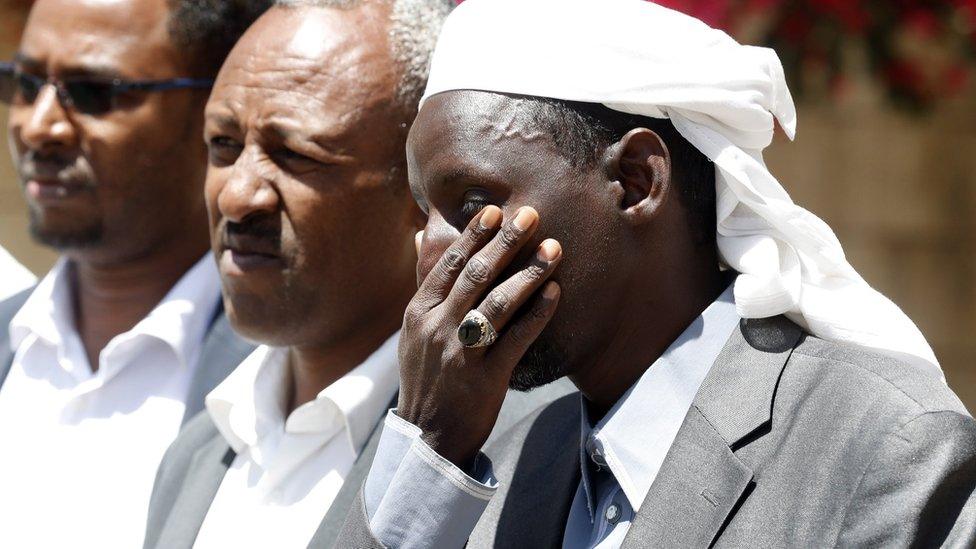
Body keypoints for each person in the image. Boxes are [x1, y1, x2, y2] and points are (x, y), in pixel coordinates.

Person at [335, 0, 976, 547]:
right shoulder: (499, 461)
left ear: (637, 180)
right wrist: (427, 451)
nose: (433, 258)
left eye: (473, 207)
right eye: (427, 214)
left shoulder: (885, 449)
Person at [143, 1, 572, 547]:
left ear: (425, 194)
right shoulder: (199, 453)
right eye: (223, 145)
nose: (236, 194)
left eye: (295, 154)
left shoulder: (523, 458)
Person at [0, 0, 270, 546]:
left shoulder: (280, 377)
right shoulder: (11, 340)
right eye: (25, 83)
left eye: (94, 92)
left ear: (218, 113)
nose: (39, 125)